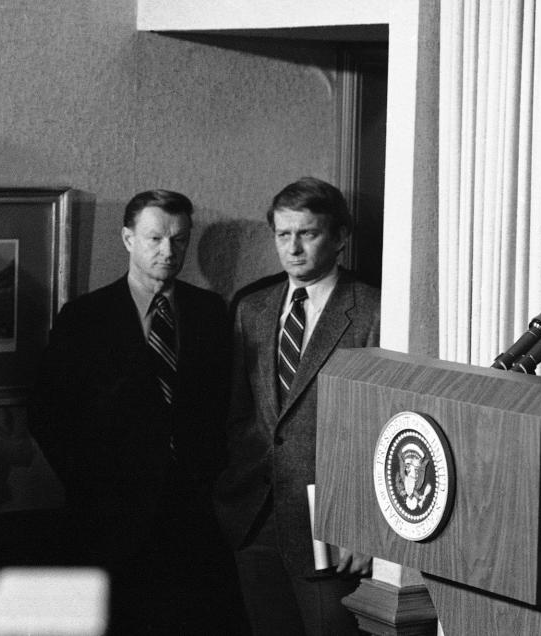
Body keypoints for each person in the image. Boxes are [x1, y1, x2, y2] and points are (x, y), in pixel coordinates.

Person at [29, 190, 238, 633]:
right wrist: (91, 485)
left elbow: (227, 406)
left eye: (179, 240)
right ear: (128, 239)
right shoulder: (85, 317)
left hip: (194, 518)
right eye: (155, 238)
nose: (168, 251)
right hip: (109, 519)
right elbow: (47, 414)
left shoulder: (210, 313)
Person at [215, 177, 380, 635]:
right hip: (253, 517)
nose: (293, 248)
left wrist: (365, 526)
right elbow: (238, 413)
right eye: (283, 235)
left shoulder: (371, 311)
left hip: (332, 524)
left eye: (307, 233)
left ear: (340, 237)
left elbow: (384, 429)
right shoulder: (253, 307)